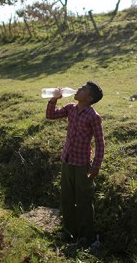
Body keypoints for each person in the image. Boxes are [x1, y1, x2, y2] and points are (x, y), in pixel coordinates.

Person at [46, 81, 104, 247]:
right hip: (67, 161)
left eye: (84, 89)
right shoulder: (71, 108)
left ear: (89, 98)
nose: (79, 89)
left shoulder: (93, 116)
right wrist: (53, 99)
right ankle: (70, 233)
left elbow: (100, 143)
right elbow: (51, 115)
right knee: (66, 198)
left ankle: (87, 237)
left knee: (84, 200)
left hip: (82, 165)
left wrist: (96, 166)